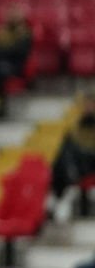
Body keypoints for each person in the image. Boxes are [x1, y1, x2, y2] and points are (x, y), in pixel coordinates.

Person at [48, 92, 95, 223]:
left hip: (91, 161)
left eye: (91, 105)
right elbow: (68, 146)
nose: (88, 108)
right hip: (79, 163)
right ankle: (55, 200)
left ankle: (70, 176)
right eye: (86, 105)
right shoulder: (76, 126)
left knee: (74, 155)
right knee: (61, 159)